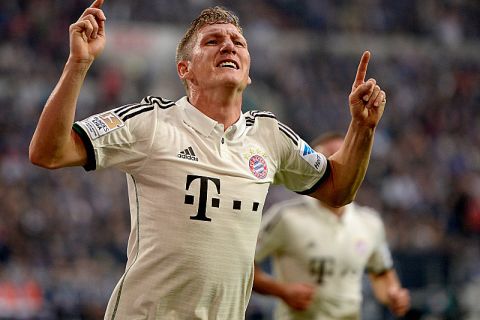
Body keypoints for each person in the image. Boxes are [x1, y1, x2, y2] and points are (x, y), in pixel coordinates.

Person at [29, 0, 388, 318]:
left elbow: (338, 187)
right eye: (213, 40)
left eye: (238, 42)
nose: (228, 45)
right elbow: (49, 152)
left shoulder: (270, 135)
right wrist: (79, 63)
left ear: (247, 73)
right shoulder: (152, 122)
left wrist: (362, 128)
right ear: (185, 70)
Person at [253, 132, 411, 320]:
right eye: (332, 161)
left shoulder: (370, 222)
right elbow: (243, 262)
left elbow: (382, 272)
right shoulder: (286, 217)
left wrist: (393, 294)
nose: (342, 169)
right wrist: (281, 290)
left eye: (349, 159)